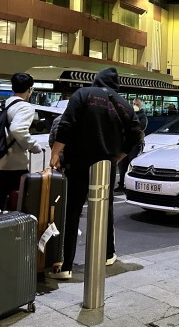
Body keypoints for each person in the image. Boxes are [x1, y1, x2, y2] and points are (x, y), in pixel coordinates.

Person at [47, 68, 143, 280]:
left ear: (96, 80)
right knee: (104, 209)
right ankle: (107, 255)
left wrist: (55, 153)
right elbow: (136, 135)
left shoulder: (83, 94)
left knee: (72, 211)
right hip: (106, 166)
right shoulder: (125, 105)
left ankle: (65, 266)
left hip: (78, 162)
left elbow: (67, 123)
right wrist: (117, 157)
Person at [0, 72, 43, 211]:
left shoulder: (2, 105)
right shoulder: (25, 107)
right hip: (15, 167)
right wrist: (34, 146)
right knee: (19, 208)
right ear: (30, 89)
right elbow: (17, 129)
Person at [116, 98, 148, 193]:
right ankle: (121, 184)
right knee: (122, 165)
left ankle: (129, 186)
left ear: (140, 105)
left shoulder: (142, 116)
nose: (134, 105)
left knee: (131, 163)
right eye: (133, 103)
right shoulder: (128, 113)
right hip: (125, 141)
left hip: (135, 143)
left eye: (137, 104)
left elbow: (141, 127)